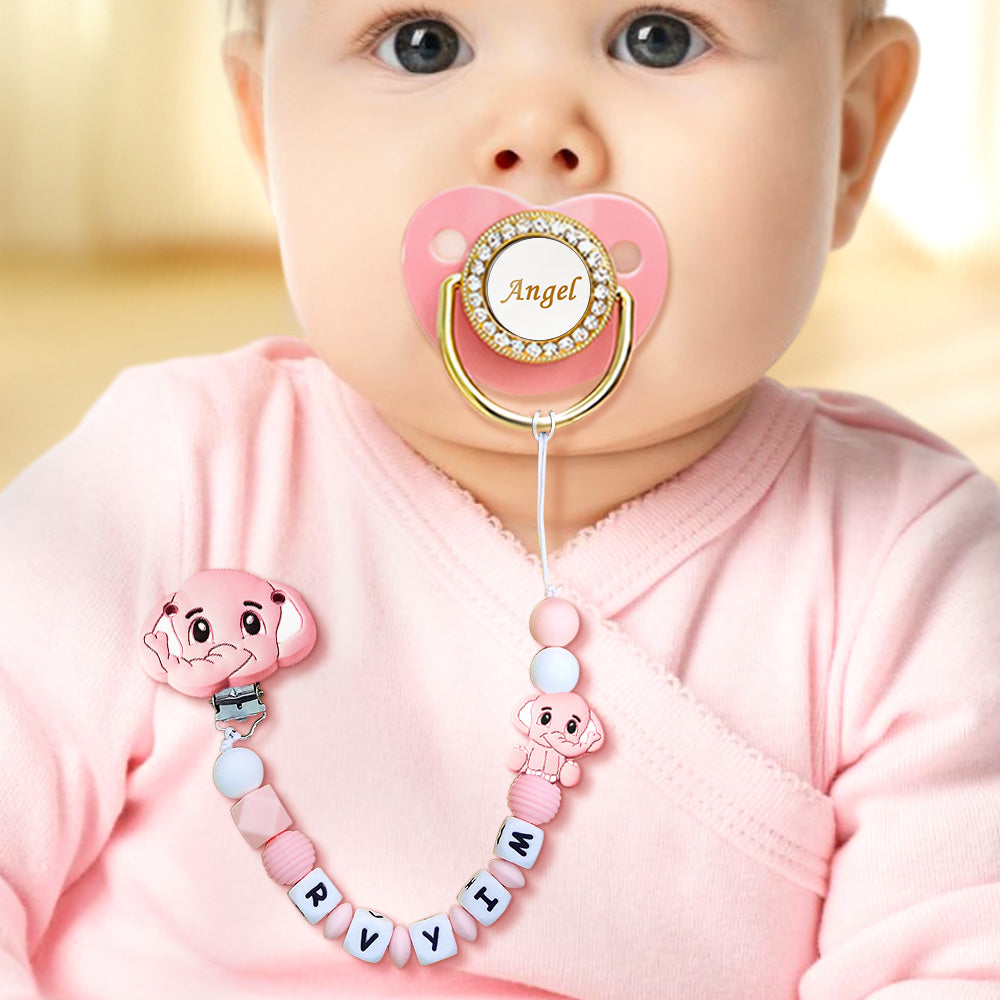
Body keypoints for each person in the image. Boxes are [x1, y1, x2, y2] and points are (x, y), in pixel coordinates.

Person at [1, 0, 998, 997]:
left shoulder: (916, 575)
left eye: (658, 37)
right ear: (268, 132)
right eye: (421, 43)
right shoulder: (170, 476)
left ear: (851, 137)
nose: (534, 132)